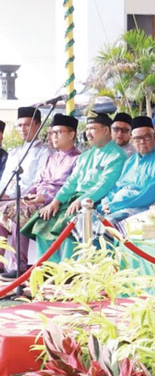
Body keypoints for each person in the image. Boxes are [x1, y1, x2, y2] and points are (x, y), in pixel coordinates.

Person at [22, 112, 127, 262]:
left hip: (95, 202)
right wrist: (56, 201)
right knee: (43, 220)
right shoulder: (86, 156)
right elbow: (71, 181)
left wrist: (82, 201)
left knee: (68, 225)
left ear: (105, 130)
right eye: (87, 129)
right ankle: (46, 270)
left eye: (93, 129)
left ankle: (69, 271)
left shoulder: (116, 156)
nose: (88, 133)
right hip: (74, 199)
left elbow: (104, 185)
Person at [0, 114, 80, 278]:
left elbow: (69, 185)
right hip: (38, 198)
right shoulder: (52, 157)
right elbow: (39, 180)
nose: (53, 137)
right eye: (52, 133)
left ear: (71, 134)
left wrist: (45, 197)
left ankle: (19, 266)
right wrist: (29, 195)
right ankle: (3, 264)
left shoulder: (77, 158)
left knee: (17, 213)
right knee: (7, 209)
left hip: (56, 201)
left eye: (58, 133)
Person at [100, 116, 155, 224]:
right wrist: (106, 202)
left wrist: (116, 206)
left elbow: (150, 194)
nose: (142, 141)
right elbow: (117, 186)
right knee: (87, 218)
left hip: (141, 209)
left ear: (154, 136)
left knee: (108, 223)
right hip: (117, 206)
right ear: (132, 139)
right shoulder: (130, 161)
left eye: (146, 137)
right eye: (137, 138)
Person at [0, 107, 51, 200]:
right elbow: (4, 181)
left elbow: (37, 182)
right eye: (19, 126)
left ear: (38, 126)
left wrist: (9, 196)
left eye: (27, 125)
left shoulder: (45, 152)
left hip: (25, 199)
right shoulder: (14, 152)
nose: (22, 129)